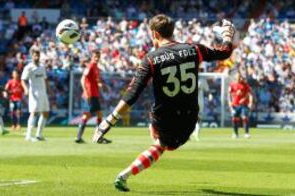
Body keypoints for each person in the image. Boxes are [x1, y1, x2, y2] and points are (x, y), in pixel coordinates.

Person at [92, 14, 235, 191]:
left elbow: (132, 94)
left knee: (160, 143)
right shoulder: (194, 49)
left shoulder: (151, 59)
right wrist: (228, 36)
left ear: (155, 34)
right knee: (163, 144)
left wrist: (109, 121)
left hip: (164, 117)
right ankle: (125, 174)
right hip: (189, 118)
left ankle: (124, 175)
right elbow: (225, 52)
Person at [75, 50, 111, 144]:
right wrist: (86, 92)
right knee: (89, 115)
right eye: (95, 56)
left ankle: (93, 136)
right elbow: (83, 79)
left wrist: (103, 86)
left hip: (95, 94)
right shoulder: (90, 66)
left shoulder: (96, 68)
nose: (97, 58)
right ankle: (92, 137)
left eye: (98, 56)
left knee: (96, 114)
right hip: (90, 94)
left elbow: (97, 81)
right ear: (92, 57)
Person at [21, 50, 49, 142]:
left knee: (45, 113)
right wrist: (26, 89)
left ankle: (38, 135)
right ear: (32, 56)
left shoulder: (42, 66)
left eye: (38, 55)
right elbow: (23, 80)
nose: (36, 57)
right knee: (34, 113)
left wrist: (49, 90)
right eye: (35, 56)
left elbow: (45, 79)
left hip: (43, 93)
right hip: (34, 93)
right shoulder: (29, 67)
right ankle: (28, 135)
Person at [228, 72, 253, 139]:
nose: (239, 78)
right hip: (235, 105)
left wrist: (249, 101)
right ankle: (235, 134)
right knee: (235, 119)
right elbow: (229, 94)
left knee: (244, 117)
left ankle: (246, 133)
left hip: (243, 104)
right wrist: (230, 102)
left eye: (240, 77)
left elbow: (249, 94)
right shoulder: (232, 85)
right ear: (235, 77)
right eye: (237, 77)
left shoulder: (245, 84)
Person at [192, 76, 209, 141]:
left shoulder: (202, 80)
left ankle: (196, 133)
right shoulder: (189, 78)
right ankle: (193, 133)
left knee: (198, 118)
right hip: (191, 102)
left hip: (200, 103)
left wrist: (210, 95)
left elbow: (207, 90)